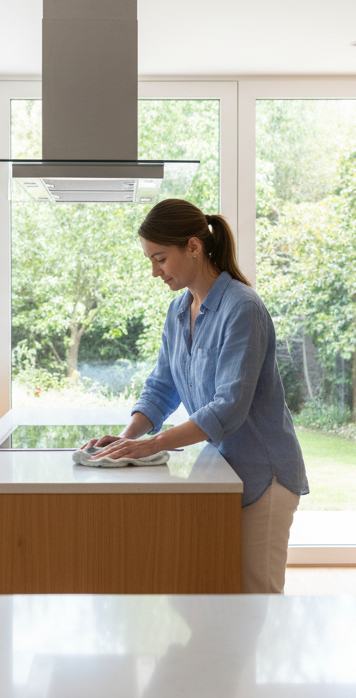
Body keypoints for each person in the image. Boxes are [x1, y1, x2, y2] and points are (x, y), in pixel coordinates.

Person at [83, 198, 309, 593]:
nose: (155, 272)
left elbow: (229, 407)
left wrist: (154, 443)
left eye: (160, 259)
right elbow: (162, 385)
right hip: (219, 471)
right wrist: (127, 438)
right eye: (150, 261)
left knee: (258, 598)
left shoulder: (243, 308)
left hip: (263, 475)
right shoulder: (178, 310)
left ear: (193, 246)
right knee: (212, 588)